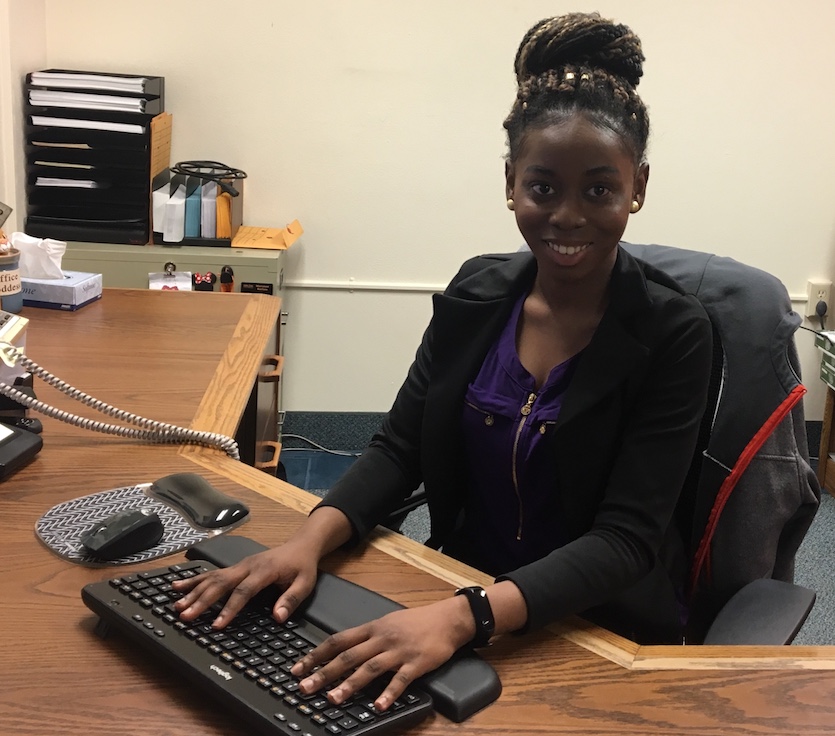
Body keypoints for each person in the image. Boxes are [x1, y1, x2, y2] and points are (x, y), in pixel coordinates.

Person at [174, 11, 713, 714]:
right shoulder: (475, 296)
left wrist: (467, 617)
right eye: (543, 187)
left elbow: (624, 540)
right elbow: (400, 449)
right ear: (510, 181)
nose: (568, 216)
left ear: (636, 186)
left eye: (599, 189)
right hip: (449, 588)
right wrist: (306, 540)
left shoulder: (675, 333)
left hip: (594, 626)